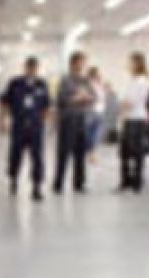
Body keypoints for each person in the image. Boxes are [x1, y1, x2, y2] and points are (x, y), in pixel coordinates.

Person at [0, 56, 51, 202]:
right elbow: (4, 102)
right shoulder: (15, 83)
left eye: (34, 68)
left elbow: (47, 106)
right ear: (25, 67)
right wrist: (2, 120)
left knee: (37, 157)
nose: (32, 70)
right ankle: (13, 179)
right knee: (15, 154)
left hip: (35, 127)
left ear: (37, 69)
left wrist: (44, 122)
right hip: (19, 126)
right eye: (29, 67)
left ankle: (36, 187)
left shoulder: (42, 84)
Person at [53, 52, 96, 195]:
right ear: (72, 63)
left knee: (80, 153)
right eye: (79, 62)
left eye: (83, 62)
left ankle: (79, 183)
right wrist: (76, 99)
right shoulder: (65, 80)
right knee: (63, 153)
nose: (81, 65)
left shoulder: (85, 81)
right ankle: (58, 184)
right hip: (68, 120)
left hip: (81, 119)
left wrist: (86, 98)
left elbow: (93, 96)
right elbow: (61, 100)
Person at [118, 52, 149, 193]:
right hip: (128, 118)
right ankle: (125, 181)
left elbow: (133, 101)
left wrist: (123, 104)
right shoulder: (131, 80)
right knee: (124, 152)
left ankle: (137, 182)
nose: (128, 64)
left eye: (130, 62)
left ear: (137, 64)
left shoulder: (142, 81)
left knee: (137, 151)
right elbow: (125, 99)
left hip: (136, 119)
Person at [86, 66, 107, 163]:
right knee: (91, 134)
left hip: (99, 112)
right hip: (91, 112)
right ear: (93, 74)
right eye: (98, 73)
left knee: (96, 134)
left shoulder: (100, 85)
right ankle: (91, 153)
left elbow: (102, 98)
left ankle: (92, 153)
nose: (99, 75)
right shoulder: (88, 84)